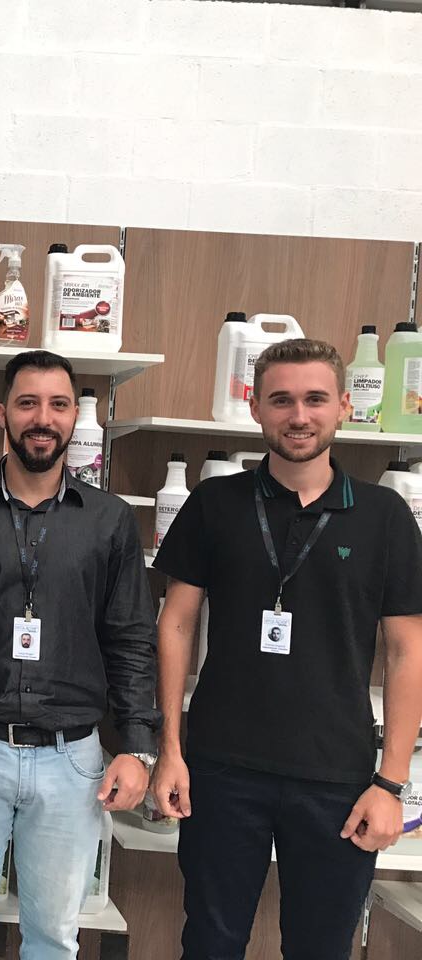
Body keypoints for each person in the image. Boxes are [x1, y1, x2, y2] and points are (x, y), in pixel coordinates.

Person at [151, 338, 422, 960]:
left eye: (315, 399)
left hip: (338, 779)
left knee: (320, 948)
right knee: (211, 943)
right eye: (281, 400)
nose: (299, 415)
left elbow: (408, 651)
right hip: (221, 770)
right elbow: (176, 625)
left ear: (344, 406)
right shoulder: (215, 504)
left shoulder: (384, 515)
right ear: (255, 407)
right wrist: (170, 749)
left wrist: (391, 783)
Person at [0, 350, 159, 960]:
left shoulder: (109, 520)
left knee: (54, 940)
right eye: (28, 403)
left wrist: (136, 746)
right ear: (2, 413)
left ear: (75, 416)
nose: (43, 418)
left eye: (58, 405)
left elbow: (131, 638)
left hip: (72, 759)